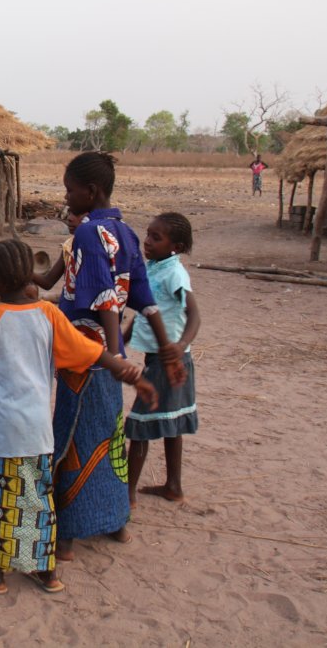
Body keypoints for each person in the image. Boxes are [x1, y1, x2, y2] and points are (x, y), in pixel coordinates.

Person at [0, 239, 155, 595]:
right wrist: (127, 371)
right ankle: (46, 571)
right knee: (38, 499)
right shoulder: (49, 314)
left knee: (3, 500)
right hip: (37, 430)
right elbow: (90, 352)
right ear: (29, 277)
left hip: (2, 431)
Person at [53, 152, 186, 560]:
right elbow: (145, 299)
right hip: (110, 358)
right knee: (110, 436)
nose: (66, 196)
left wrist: (112, 355)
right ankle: (116, 521)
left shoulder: (88, 233)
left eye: (70, 190)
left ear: (91, 191)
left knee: (75, 437)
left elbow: (105, 299)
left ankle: (68, 535)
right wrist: (166, 349)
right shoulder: (125, 232)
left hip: (86, 355)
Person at [125, 213, 201, 506]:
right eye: (147, 234)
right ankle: (173, 485)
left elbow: (194, 315)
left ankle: (128, 495)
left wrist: (181, 346)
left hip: (170, 362)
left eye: (156, 238)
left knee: (140, 425)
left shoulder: (174, 274)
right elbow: (145, 311)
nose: (147, 241)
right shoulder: (153, 268)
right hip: (158, 360)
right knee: (173, 423)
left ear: (175, 247)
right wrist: (121, 341)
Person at [32, 207, 83, 293]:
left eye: (76, 214)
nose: (69, 218)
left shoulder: (101, 245)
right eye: (69, 213)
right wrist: (22, 270)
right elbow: (48, 282)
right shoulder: (69, 246)